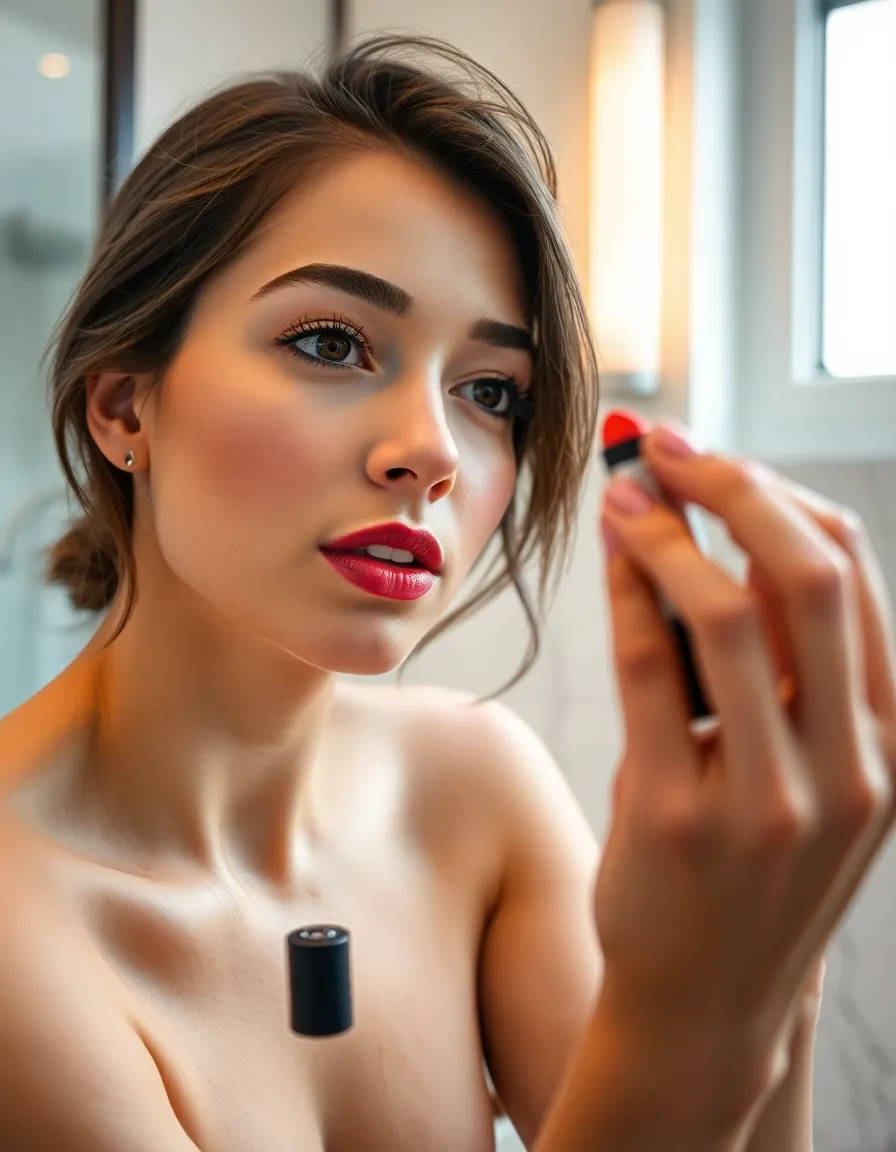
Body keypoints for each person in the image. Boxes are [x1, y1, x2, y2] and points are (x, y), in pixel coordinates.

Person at [0, 33, 893, 1152]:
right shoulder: (16, 924)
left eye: (488, 391)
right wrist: (684, 1024)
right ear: (125, 408)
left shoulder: (472, 786)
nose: (431, 453)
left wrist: (769, 969)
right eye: (330, 341)